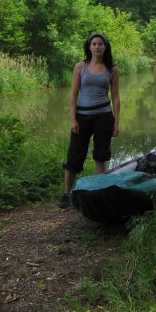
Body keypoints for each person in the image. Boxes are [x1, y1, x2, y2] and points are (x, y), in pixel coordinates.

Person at [58, 32, 121, 209]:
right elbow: (73, 94)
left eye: (100, 44)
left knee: (101, 156)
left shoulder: (112, 69)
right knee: (74, 156)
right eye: (94, 44)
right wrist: (73, 119)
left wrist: (116, 122)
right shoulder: (80, 67)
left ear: (105, 47)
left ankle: (95, 193)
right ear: (89, 47)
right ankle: (67, 194)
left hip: (104, 117)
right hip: (82, 117)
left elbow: (116, 97)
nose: (97, 46)